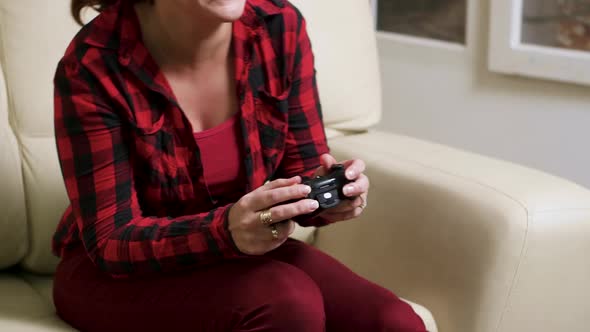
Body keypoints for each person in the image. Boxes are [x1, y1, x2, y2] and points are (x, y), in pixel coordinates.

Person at [51, 0, 427, 331]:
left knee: (394, 322)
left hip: (236, 248)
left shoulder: (279, 27)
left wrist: (326, 195)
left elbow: (302, 168)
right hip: (114, 271)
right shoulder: (93, 64)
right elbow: (111, 242)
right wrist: (226, 231)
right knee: (286, 303)